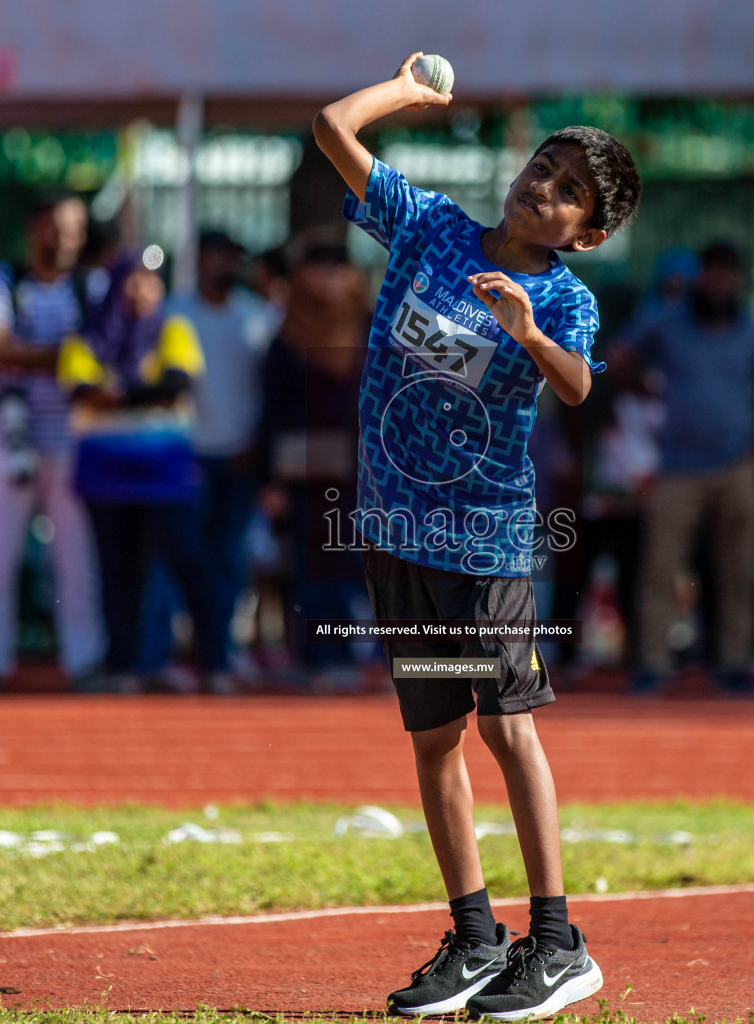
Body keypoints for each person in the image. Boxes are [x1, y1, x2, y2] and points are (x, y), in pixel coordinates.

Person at [313, 53, 640, 1020]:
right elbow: (333, 130)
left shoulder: (569, 300)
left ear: (594, 229)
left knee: (506, 726)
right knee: (433, 740)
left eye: (570, 192)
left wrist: (529, 331)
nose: (544, 189)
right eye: (544, 167)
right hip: (394, 529)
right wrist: (407, 94)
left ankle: (558, 940)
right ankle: (472, 936)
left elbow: (576, 387)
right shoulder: (432, 230)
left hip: (484, 537)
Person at [620, 241, 754, 693]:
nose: (718, 282)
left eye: (727, 273)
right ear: (699, 278)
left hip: (737, 466)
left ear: (739, 281)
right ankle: (653, 663)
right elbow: (618, 358)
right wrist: (646, 392)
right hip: (677, 468)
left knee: (738, 570)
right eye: (710, 272)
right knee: (660, 568)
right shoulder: (667, 324)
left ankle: (734, 661)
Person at [0, 191, 105, 693]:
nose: (66, 239)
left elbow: (110, 353)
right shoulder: (0, 281)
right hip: (8, 440)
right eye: (56, 227)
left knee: (77, 559)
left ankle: (85, 662)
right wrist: (67, 359)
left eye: (75, 229)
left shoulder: (93, 286)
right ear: (33, 230)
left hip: (72, 444)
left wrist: (33, 356)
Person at [59, 250, 217, 692]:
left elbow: (177, 385)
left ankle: (214, 660)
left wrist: (120, 394)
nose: (141, 289)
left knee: (184, 561)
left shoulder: (173, 328)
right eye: (132, 279)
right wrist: (143, 394)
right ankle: (124, 665)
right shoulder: (86, 334)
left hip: (164, 471)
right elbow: (81, 390)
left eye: (150, 280)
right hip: (104, 473)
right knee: (117, 570)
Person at [257, 239, 373, 688]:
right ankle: (317, 657)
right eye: (318, 267)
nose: (328, 279)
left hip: (365, 470)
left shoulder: (373, 328)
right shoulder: (287, 335)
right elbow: (273, 410)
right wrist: (269, 480)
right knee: (311, 565)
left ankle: (352, 656)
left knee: (355, 564)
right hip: (304, 472)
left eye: (337, 268)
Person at [168, 231, 278, 686]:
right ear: (198, 261)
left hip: (240, 457)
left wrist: (258, 446)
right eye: (216, 256)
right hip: (188, 456)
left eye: (232, 257)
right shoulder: (175, 314)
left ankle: (222, 653)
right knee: (186, 559)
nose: (224, 265)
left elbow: (271, 391)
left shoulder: (256, 318)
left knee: (230, 560)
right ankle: (185, 653)